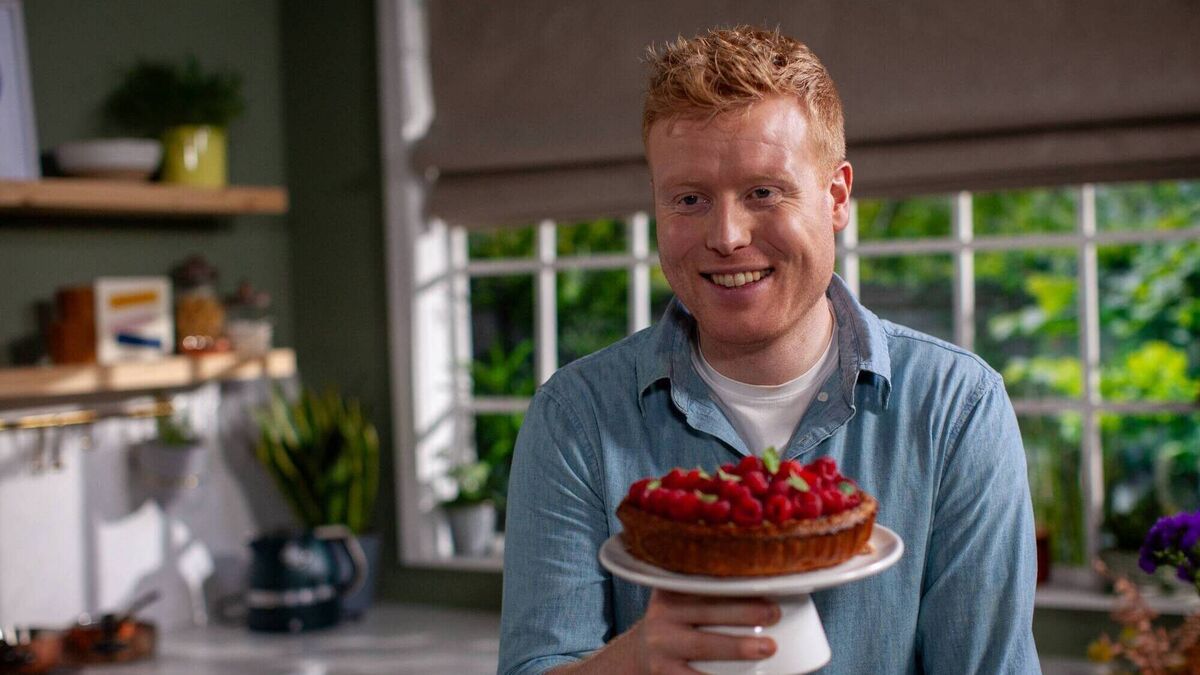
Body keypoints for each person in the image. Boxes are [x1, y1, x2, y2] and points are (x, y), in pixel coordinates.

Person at [498, 26, 1040, 674]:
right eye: (689, 199)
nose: (726, 236)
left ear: (836, 197)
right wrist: (635, 660)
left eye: (763, 192)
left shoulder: (957, 408)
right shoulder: (575, 416)